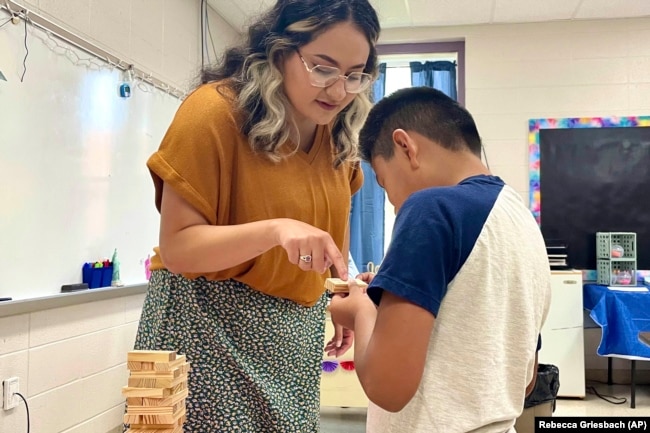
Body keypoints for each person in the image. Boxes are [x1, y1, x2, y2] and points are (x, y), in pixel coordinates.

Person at [130, 1, 381, 432]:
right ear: (279, 51)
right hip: (201, 332)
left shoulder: (342, 137)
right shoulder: (213, 112)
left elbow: (327, 243)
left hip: (292, 346)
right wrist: (275, 231)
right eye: (322, 68)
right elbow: (179, 248)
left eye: (355, 75)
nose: (339, 91)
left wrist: (337, 294)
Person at [328, 86, 552, 433]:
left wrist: (360, 310)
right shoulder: (522, 220)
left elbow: (387, 389)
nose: (392, 203)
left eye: (385, 184)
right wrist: (390, 297)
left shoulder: (430, 209)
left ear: (405, 147)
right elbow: (523, 377)